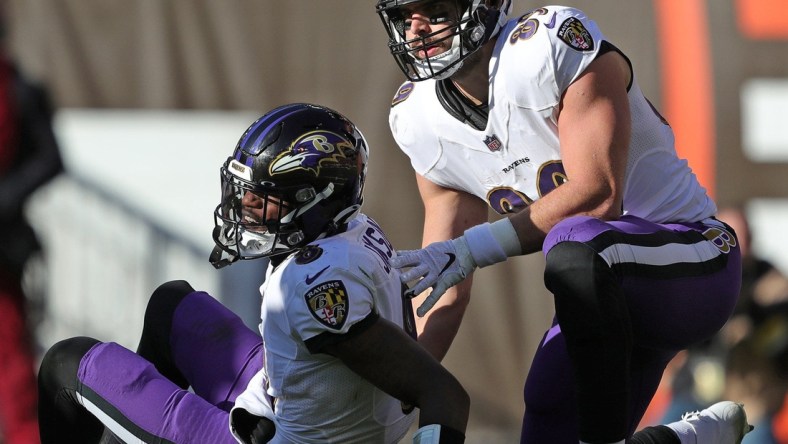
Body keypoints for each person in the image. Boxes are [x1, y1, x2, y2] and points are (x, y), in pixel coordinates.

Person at [375, 1, 750, 443]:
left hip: (691, 263)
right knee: (547, 419)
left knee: (575, 244)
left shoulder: (545, 46)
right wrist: (387, 399)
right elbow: (441, 290)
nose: (417, 30)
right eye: (405, 17)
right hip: (597, 300)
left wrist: (473, 248)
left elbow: (597, 196)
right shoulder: (418, 119)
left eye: (434, 9)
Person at [37, 103, 470, 443]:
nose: (244, 209)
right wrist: (262, 397)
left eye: (261, 199)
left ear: (312, 198)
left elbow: (443, 395)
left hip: (297, 437)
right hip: (309, 413)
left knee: (65, 362)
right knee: (173, 305)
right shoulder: (351, 229)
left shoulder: (315, 284)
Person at [0, 14, 63, 444]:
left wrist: (5, 196)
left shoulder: (18, 90)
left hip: (2, 247)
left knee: (13, 362)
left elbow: (50, 158)